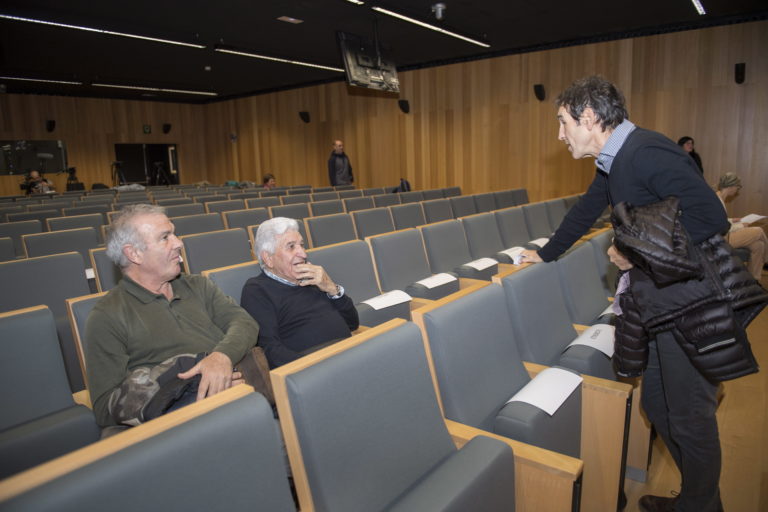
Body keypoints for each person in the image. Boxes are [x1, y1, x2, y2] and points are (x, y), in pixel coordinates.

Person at [520, 76, 757, 512]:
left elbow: (710, 218)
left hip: (690, 303)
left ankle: (703, 506)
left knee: (689, 416)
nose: (559, 134)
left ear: (588, 118)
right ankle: (696, 498)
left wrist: (634, 250)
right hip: (667, 301)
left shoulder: (644, 152)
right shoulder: (614, 160)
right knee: (659, 404)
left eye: (562, 123)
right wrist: (545, 254)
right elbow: (587, 209)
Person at [85, 204, 259, 428]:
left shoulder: (197, 285)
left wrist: (220, 358)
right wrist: (194, 391)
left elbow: (244, 323)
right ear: (133, 253)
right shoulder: (106, 316)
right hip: (184, 423)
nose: (178, 243)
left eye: (174, 233)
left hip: (244, 395)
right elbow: (105, 409)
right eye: (165, 237)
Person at [241, 217, 359, 368]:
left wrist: (331, 288)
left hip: (350, 353)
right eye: (291, 247)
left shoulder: (314, 277)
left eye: (302, 245)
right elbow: (270, 351)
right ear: (268, 258)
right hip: (314, 369)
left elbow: (352, 323)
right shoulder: (257, 290)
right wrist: (314, 368)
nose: (303, 254)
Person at [715, 172, 767, 280]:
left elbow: (722, 220)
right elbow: (722, 227)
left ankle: (753, 280)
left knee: (759, 245)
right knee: (758, 230)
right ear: (731, 186)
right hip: (722, 238)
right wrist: (741, 226)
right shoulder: (717, 200)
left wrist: (732, 220)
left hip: (726, 234)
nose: (737, 190)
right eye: (738, 187)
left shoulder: (719, 197)